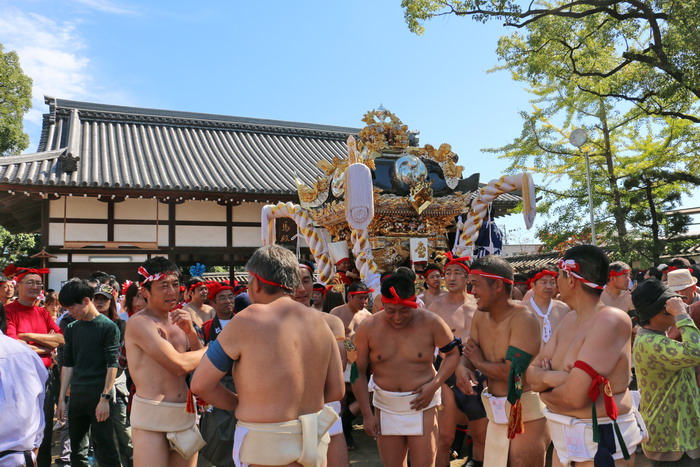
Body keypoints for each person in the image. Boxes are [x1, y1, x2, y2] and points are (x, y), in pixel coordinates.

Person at [190, 245, 344, 467]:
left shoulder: (246, 320)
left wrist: (240, 403)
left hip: (265, 443)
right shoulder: (320, 322)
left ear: (256, 280)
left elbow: (200, 384)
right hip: (314, 440)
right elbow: (336, 391)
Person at [527, 245, 643, 466]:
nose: (555, 282)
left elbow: (573, 396)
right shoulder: (569, 319)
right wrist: (556, 379)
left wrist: (544, 393)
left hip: (602, 444)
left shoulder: (610, 320)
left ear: (570, 279)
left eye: (558, 275)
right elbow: (531, 374)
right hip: (564, 442)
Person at [352, 272, 460, 467]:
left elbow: (453, 354)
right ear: (382, 304)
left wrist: (434, 385)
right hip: (385, 404)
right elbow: (356, 371)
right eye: (391, 310)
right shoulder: (368, 327)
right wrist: (367, 415)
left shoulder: (431, 321)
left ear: (414, 303)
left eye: (404, 310)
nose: (398, 317)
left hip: (422, 402)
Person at [459, 255, 546, 467]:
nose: (472, 292)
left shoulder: (523, 319)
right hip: (495, 412)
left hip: (525, 413)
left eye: (475, 285)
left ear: (497, 285)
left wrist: (477, 363)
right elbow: (469, 353)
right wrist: (462, 367)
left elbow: (513, 373)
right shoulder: (480, 315)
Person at [124, 258, 207, 467]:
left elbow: (203, 365)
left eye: (175, 284)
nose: (172, 291)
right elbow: (179, 366)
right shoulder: (139, 323)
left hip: (184, 411)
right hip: (151, 413)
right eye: (163, 285)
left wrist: (191, 333)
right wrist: (213, 349)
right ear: (144, 291)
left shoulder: (182, 318)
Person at [631, 279, 700, 465]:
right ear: (660, 311)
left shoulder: (657, 338)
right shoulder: (650, 343)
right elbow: (696, 351)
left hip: (679, 435)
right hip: (670, 437)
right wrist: (681, 314)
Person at [428, 253, 486, 467]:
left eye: (457, 273)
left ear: (467, 277)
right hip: (446, 375)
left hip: (476, 374)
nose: (451, 278)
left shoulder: (480, 306)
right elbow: (427, 346)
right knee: (444, 438)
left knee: (481, 436)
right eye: (448, 273)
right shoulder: (435, 308)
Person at [55, 279, 121, 467]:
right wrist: (61, 398)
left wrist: (105, 398)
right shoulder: (71, 328)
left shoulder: (108, 326)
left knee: (106, 448)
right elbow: (68, 364)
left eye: (71, 307)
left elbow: (112, 364)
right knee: (77, 450)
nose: (69, 312)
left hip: (99, 396)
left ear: (85, 301)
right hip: (77, 396)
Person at [4, 267, 64, 467]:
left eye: (38, 283)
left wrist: (28, 337)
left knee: (43, 424)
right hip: (17, 377)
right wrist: (46, 347)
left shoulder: (42, 313)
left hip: (45, 376)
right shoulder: (8, 311)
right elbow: (13, 344)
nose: (35, 286)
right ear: (18, 285)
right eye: (30, 282)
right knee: (20, 426)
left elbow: (60, 338)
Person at [293, 261, 349, 466]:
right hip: (287, 407)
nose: (301, 288)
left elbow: (339, 366)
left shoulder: (331, 322)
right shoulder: (271, 323)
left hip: (326, 403)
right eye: (294, 282)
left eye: (306, 281)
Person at [93, 283, 133, 467]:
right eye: (97, 298)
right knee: (101, 434)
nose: (100, 302)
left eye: (104, 299)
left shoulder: (121, 324)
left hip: (117, 381)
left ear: (112, 302)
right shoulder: (85, 324)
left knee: (124, 431)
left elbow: (119, 356)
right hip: (94, 382)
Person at [199, 281, 237, 467]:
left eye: (231, 297)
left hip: (242, 382)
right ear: (212, 303)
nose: (228, 301)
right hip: (217, 384)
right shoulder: (206, 328)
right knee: (216, 431)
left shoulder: (244, 323)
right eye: (222, 298)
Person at [522, 267, 570, 348]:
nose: (549, 286)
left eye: (552, 282)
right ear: (533, 285)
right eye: (544, 282)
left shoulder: (564, 309)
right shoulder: (521, 309)